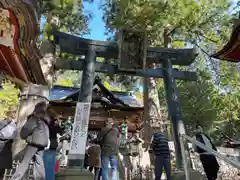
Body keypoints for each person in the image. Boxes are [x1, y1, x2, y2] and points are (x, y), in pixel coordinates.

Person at [12, 102, 50, 180]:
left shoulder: (35, 118)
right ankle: (40, 178)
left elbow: (26, 129)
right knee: (39, 162)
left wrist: (23, 136)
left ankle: (16, 178)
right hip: (42, 143)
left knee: (25, 161)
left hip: (34, 142)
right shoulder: (45, 119)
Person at [43, 107, 64, 180]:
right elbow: (61, 132)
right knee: (50, 166)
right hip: (51, 145)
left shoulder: (47, 122)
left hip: (47, 145)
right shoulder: (52, 123)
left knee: (47, 165)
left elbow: (60, 131)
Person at [0, 110, 17, 179]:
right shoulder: (4, 122)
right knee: (2, 165)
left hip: (6, 145)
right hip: (4, 144)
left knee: (3, 166)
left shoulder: (12, 124)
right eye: (12, 116)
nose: (13, 118)